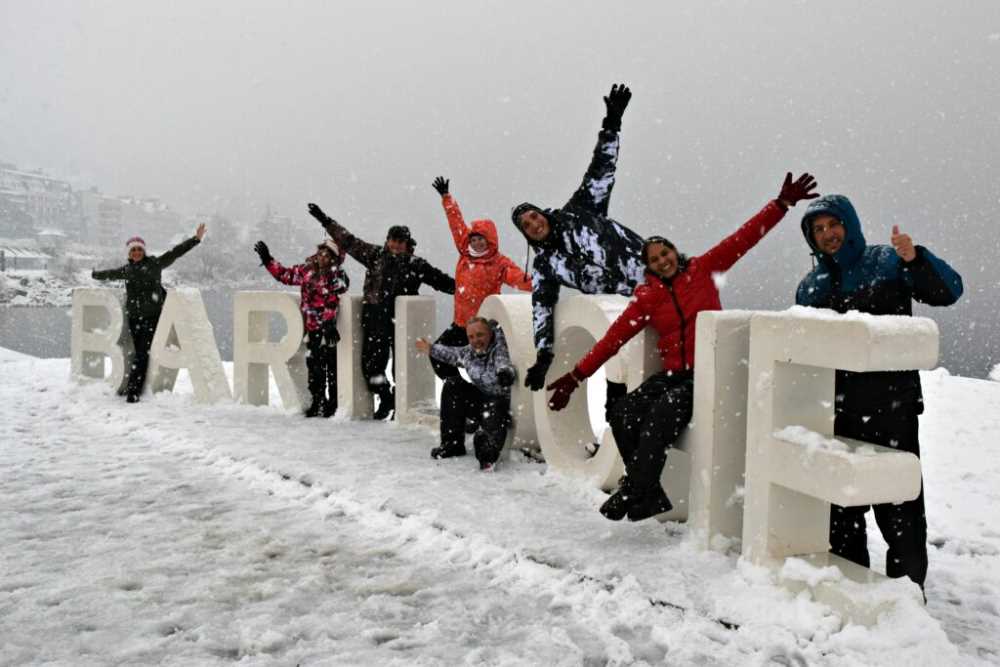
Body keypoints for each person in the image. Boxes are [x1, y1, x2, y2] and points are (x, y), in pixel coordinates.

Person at [546, 173, 818, 521]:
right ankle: (647, 492)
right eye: (655, 259)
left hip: (705, 373)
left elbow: (744, 238)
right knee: (623, 413)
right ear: (648, 267)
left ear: (675, 251)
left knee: (661, 413)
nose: (663, 261)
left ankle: (636, 489)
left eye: (666, 253)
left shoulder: (703, 270)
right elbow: (614, 338)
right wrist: (575, 376)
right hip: (672, 374)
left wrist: (780, 205)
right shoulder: (646, 297)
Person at [795, 194, 963, 591]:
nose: (827, 235)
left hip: (893, 407)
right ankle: (852, 591)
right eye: (818, 230)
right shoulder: (809, 286)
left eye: (833, 225)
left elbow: (948, 291)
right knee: (842, 506)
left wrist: (916, 259)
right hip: (836, 412)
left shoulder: (887, 260)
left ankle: (906, 595)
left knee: (900, 506)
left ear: (849, 224)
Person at [510, 83, 643, 434]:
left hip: (654, 283)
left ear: (543, 213)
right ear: (525, 234)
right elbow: (542, 307)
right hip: (621, 313)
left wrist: (611, 124)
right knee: (621, 393)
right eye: (527, 225)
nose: (535, 223)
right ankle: (629, 459)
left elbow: (602, 170)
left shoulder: (580, 211)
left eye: (534, 216)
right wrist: (544, 355)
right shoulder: (544, 265)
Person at [307, 203, 455, 420]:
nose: (395, 245)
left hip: (403, 324)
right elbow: (348, 241)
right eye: (392, 240)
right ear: (387, 241)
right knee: (371, 368)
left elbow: (443, 282)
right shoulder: (375, 255)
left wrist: (466, 289)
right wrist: (325, 220)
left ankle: (400, 406)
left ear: (407, 244)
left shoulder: (417, 264)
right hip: (375, 320)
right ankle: (386, 398)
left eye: (400, 242)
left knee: (401, 371)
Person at [428, 176, 531, 379]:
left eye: (481, 240)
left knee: (487, 371)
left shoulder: (499, 263)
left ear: (490, 241)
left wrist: (538, 284)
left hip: (484, 329)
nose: (476, 243)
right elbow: (456, 224)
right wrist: (446, 197)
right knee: (438, 356)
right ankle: (458, 390)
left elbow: (520, 279)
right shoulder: (465, 253)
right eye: (473, 239)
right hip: (461, 326)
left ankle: (483, 400)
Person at [91, 224, 207, 402]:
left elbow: (175, 253)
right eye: (133, 250)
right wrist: (95, 274)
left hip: (152, 317)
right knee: (136, 352)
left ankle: (134, 391)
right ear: (129, 254)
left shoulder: (154, 264)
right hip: (134, 317)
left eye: (139, 249)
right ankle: (130, 386)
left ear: (143, 251)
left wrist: (196, 240)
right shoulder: (127, 270)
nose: (136, 252)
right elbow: (110, 274)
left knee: (142, 353)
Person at [254, 238, 349, 418]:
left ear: (334, 258)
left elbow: (334, 297)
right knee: (314, 367)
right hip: (312, 328)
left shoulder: (336, 275)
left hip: (330, 330)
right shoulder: (307, 270)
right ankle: (318, 401)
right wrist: (268, 260)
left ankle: (334, 403)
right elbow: (285, 275)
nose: (322, 257)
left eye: (327, 255)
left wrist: (328, 321)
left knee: (333, 368)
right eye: (321, 252)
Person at [415, 317, 516, 470]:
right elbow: (451, 353)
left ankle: (488, 452)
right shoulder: (468, 353)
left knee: (493, 413)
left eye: (480, 335)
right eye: (471, 337)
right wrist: (429, 348)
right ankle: (452, 444)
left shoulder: (499, 349)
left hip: (500, 403)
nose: (476, 340)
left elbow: (503, 362)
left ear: (490, 334)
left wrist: (505, 373)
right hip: (481, 399)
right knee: (453, 384)